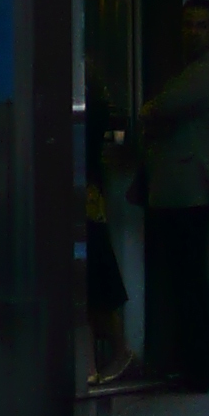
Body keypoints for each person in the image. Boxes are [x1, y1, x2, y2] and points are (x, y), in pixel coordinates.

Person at [141, 2, 209, 391]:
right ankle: (191, 365)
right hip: (180, 191)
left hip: (188, 193)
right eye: (187, 25)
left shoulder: (207, 74)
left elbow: (160, 108)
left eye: (200, 26)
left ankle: (199, 370)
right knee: (186, 284)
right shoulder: (196, 72)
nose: (193, 32)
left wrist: (150, 109)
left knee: (190, 285)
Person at [83, 59, 137, 387]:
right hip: (88, 190)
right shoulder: (97, 101)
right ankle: (104, 352)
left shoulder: (90, 102)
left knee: (95, 269)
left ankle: (110, 350)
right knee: (95, 269)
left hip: (83, 193)